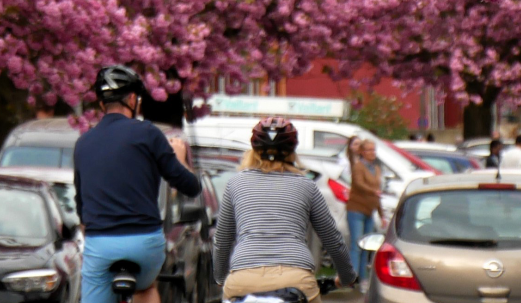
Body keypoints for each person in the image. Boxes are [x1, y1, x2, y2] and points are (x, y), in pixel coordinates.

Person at [73, 65, 203, 303]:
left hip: (101, 244)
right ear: (133, 99)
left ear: (102, 104)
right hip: (144, 243)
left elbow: (81, 208)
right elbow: (190, 186)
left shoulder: (83, 143)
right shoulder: (148, 134)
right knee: (146, 288)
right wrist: (180, 158)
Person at [214, 117, 356, 302]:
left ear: (254, 150)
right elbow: (332, 238)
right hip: (295, 279)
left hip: (243, 280)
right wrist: (346, 276)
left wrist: (220, 277)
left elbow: (223, 239)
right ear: (292, 151)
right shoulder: (307, 186)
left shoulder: (235, 184)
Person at [344, 138, 383, 281]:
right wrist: (373, 192)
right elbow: (359, 184)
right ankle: (352, 277)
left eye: (374, 150)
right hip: (356, 209)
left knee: (367, 246)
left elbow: (377, 191)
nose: (372, 153)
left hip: (370, 210)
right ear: (362, 152)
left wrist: (381, 214)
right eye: (369, 150)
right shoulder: (358, 167)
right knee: (357, 245)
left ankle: (363, 278)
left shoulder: (377, 169)